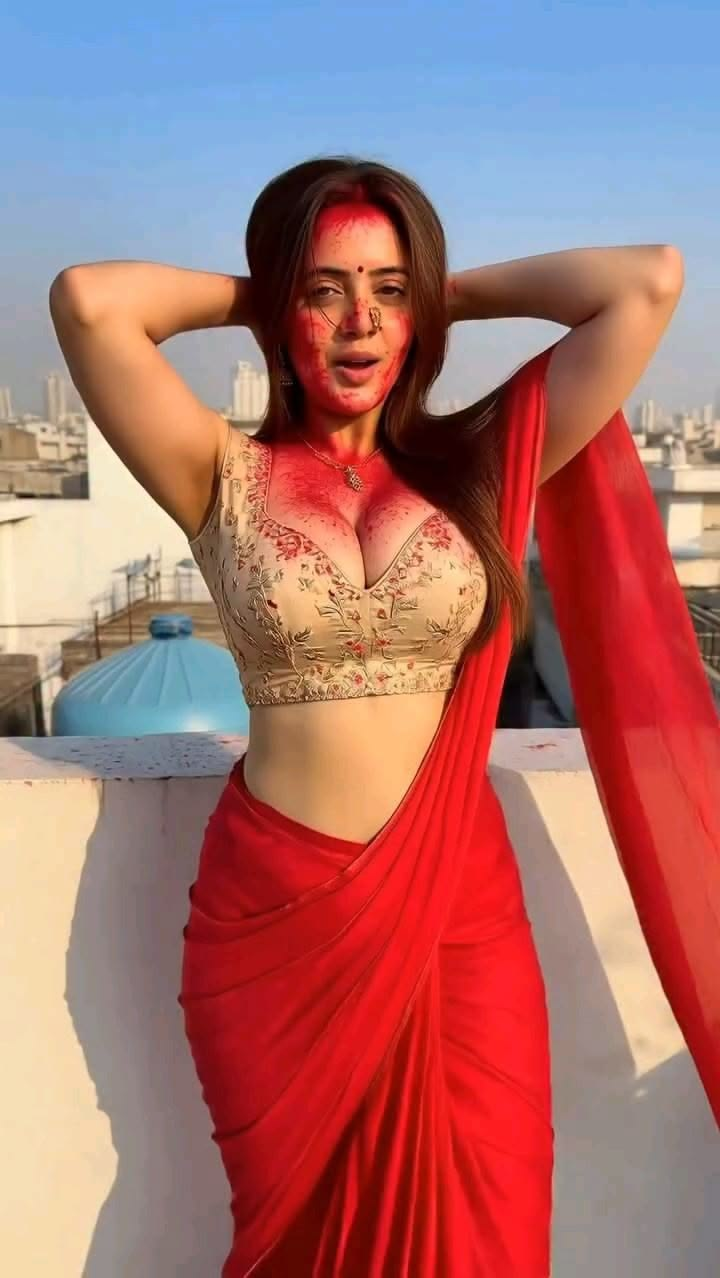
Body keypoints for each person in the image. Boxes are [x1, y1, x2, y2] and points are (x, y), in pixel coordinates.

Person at [49, 157, 719, 1277]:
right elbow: (89, 301)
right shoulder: (218, 472)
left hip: (459, 919)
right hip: (279, 926)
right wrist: (270, 292)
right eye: (324, 291)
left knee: (485, 1233)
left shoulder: (481, 462)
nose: (360, 321)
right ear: (282, 310)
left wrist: (441, 292)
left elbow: (645, 282)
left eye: (390, 292)